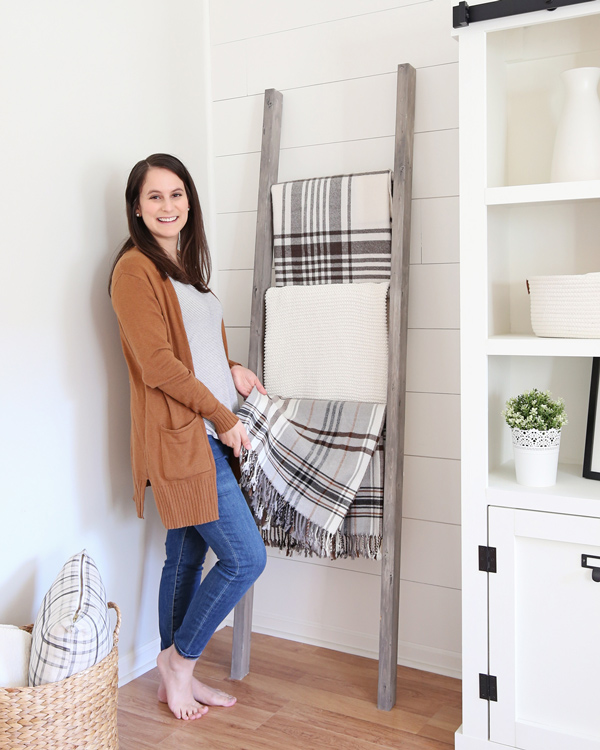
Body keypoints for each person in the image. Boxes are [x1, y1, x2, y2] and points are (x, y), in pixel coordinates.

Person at [109, 153, 267, 721]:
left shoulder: (183, 268)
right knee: (246, 559)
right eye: (154, 196)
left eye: (176, 194)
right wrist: (222, 416)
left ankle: (175, 675)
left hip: (204, 427)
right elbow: (157, 364)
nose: (168, 206)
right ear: (136, 206)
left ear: (189, 202)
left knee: (186, 553)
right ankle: (178, 661)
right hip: (184, 435)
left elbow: (194, 351)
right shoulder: (135, 269)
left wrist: (233, 371)